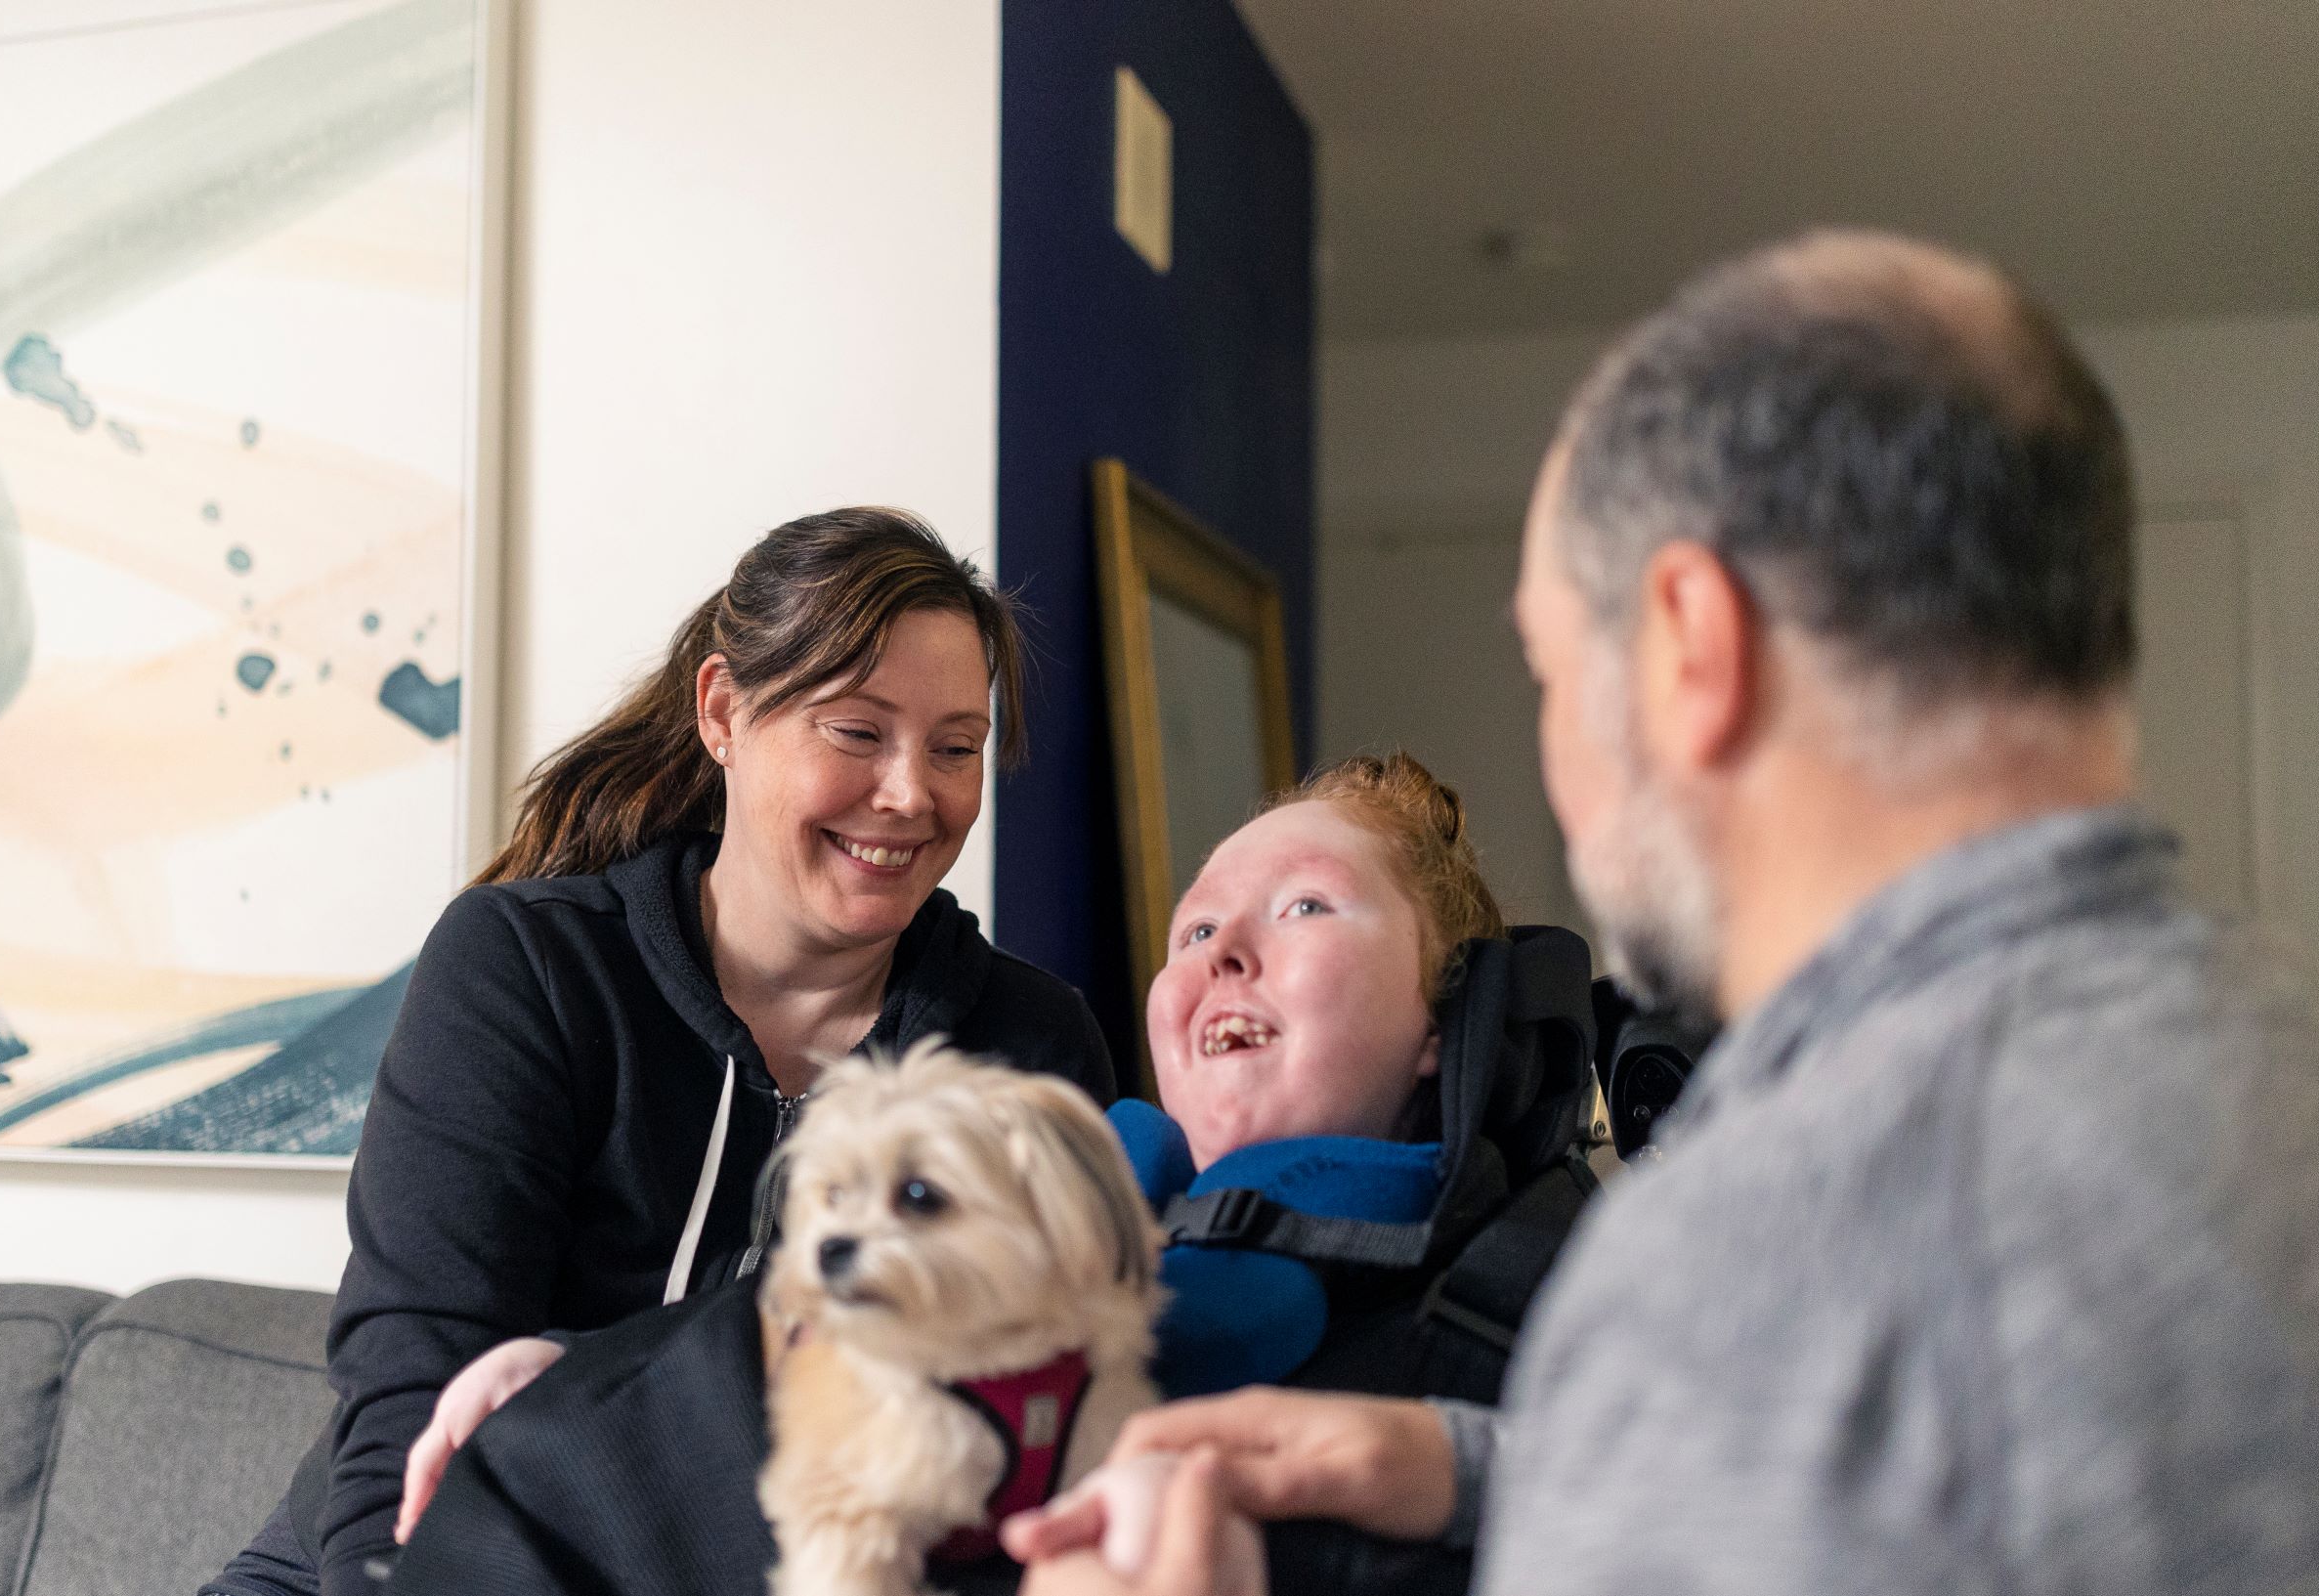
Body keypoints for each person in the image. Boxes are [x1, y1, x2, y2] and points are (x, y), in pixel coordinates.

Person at [1009, 230, 2319, 1596]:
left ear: (1695, 641)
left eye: (1553, 664)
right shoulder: (2261, 1068)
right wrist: (1471, 1462)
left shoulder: (1753, 1257)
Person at [379, 754, 1603, 1596]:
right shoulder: (1041, 1198)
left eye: (1304, 909)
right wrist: (585, 1369)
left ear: (1447, 1020)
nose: (1224, 945)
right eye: (1193, 929)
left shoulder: (1539, 1297)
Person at [205, 507, 1115, 1596]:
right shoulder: (529, 967)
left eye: (956, 748)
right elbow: (413, 1381)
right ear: (723, 710)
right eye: (857, 732)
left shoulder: (1025, 1049)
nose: (913, 794)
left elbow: (1037, 1422)